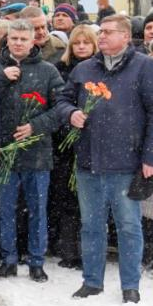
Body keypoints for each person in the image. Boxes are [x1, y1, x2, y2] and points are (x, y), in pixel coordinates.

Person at [55, 14, 153, 303]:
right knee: (91, 225)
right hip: (89, 162)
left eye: (109, 33)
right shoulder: (85, 69)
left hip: (127, 163)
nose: (102, 37)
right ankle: (92, 281)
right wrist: (69, 114)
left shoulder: (144, 67)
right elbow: (62, 100)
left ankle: (130, 286)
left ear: (125, 36)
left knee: (129, 226)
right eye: (102, 33)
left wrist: (149, 155)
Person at [0, 18, 65, 282]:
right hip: (5, 152)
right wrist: (0, 79)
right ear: (7, 40)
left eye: (24, 39)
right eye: (14, 39)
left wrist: (36, 126)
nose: (19, 43)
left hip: (37, 152)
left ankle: (36, 261)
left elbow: (61, 108)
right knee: (5, 208)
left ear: (34, 40)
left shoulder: (48, 71)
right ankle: (8, 258)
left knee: (38, 209)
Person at [50, 26, 96, 268]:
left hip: (91, 143)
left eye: (86, 43)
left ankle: (86, 251)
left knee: (87, 201)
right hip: (65, 144)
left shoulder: (99, 70)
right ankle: (69, 250)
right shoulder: (62, 69)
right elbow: (59, 103)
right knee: (66, 199)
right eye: (77, 43)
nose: (80, 47)